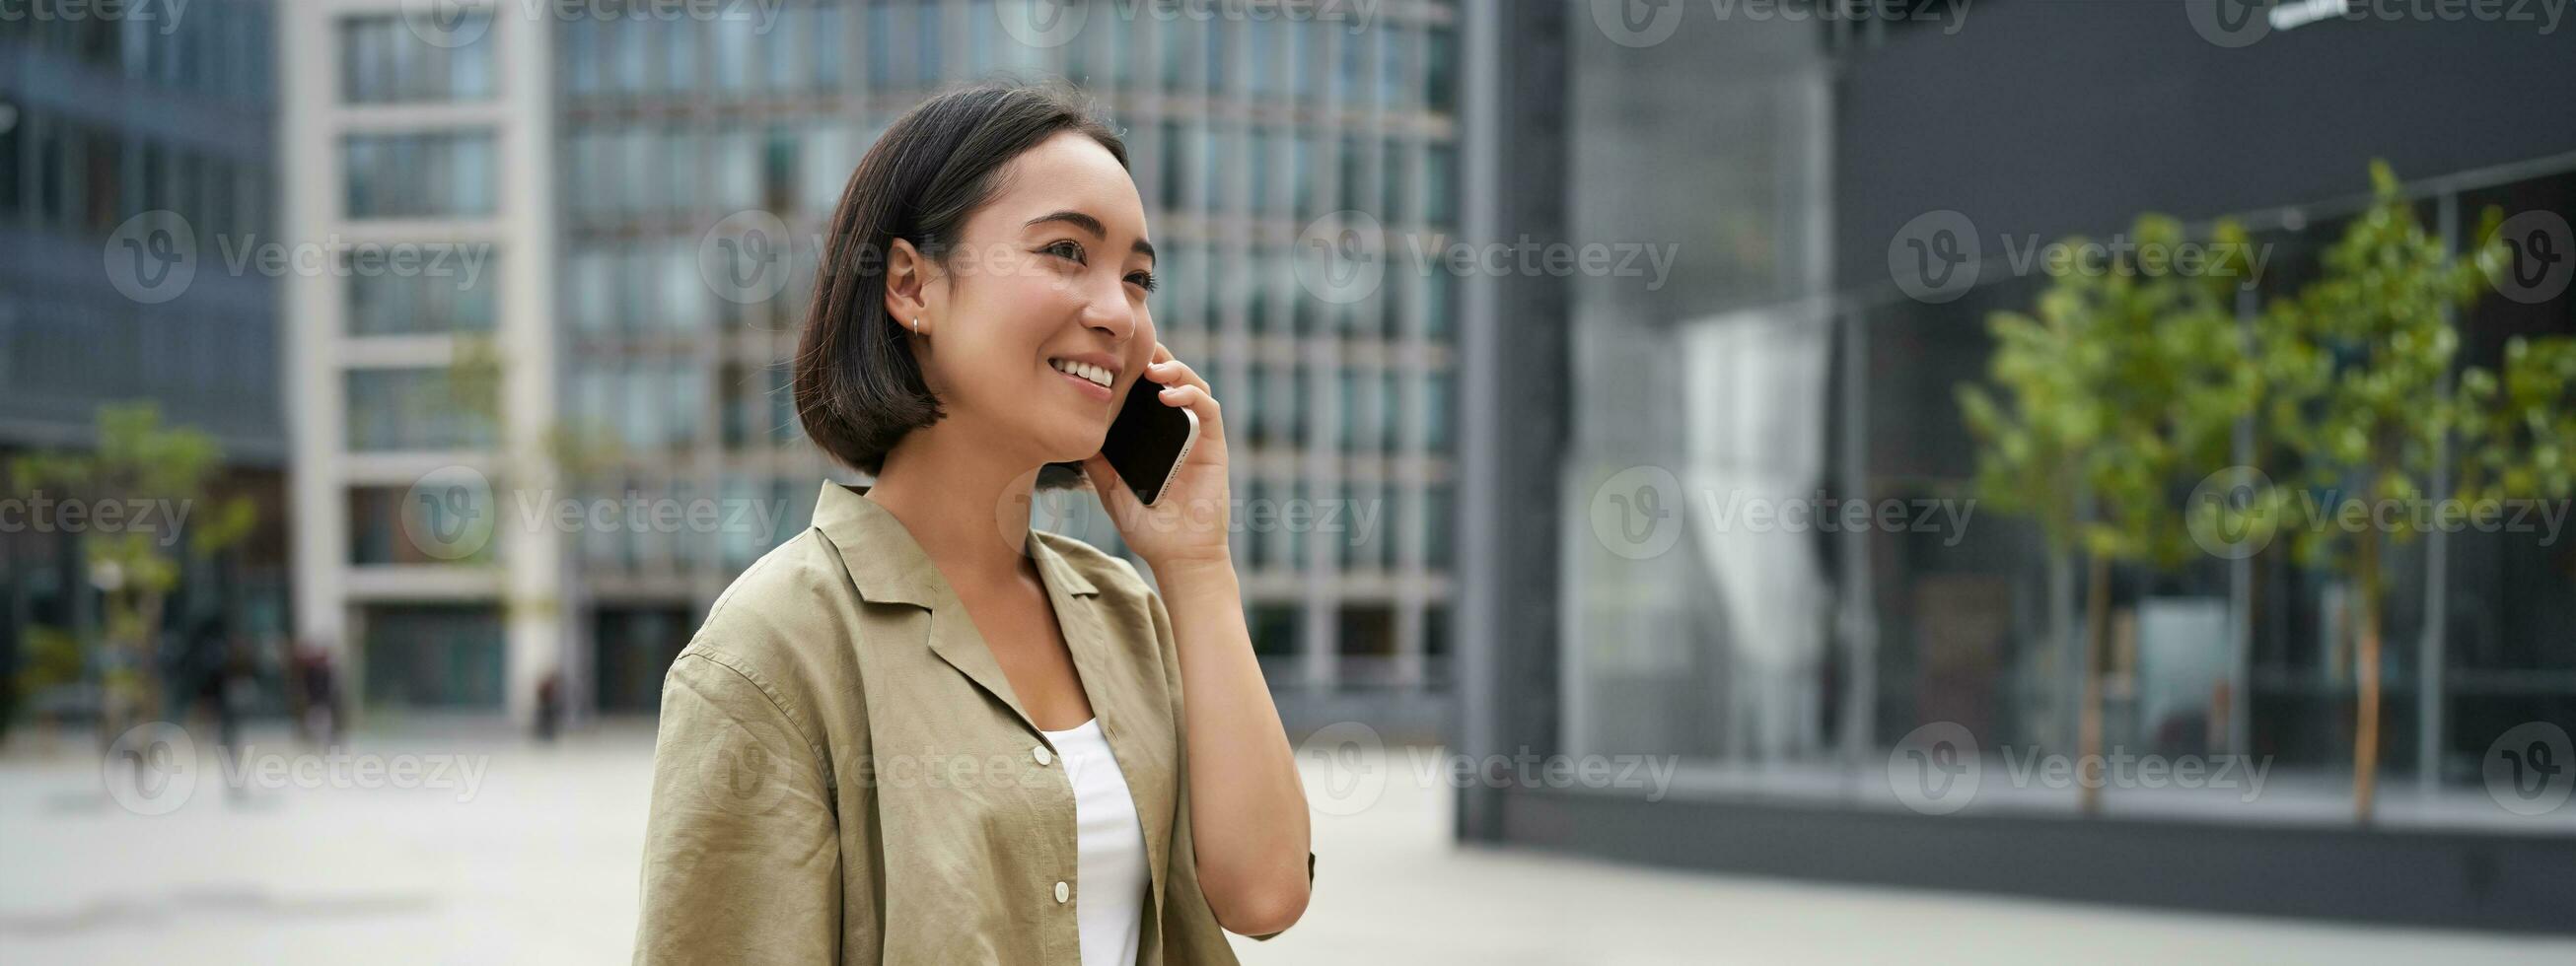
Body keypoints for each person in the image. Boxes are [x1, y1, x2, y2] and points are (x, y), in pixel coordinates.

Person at [633, 81, 1314, 966]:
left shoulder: (1124, 612)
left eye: (1138, 277)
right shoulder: (771, 652)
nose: (1118, 313)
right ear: (912, 286)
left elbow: (1262, 895)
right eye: (1067, 251)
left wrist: (1196, 567)